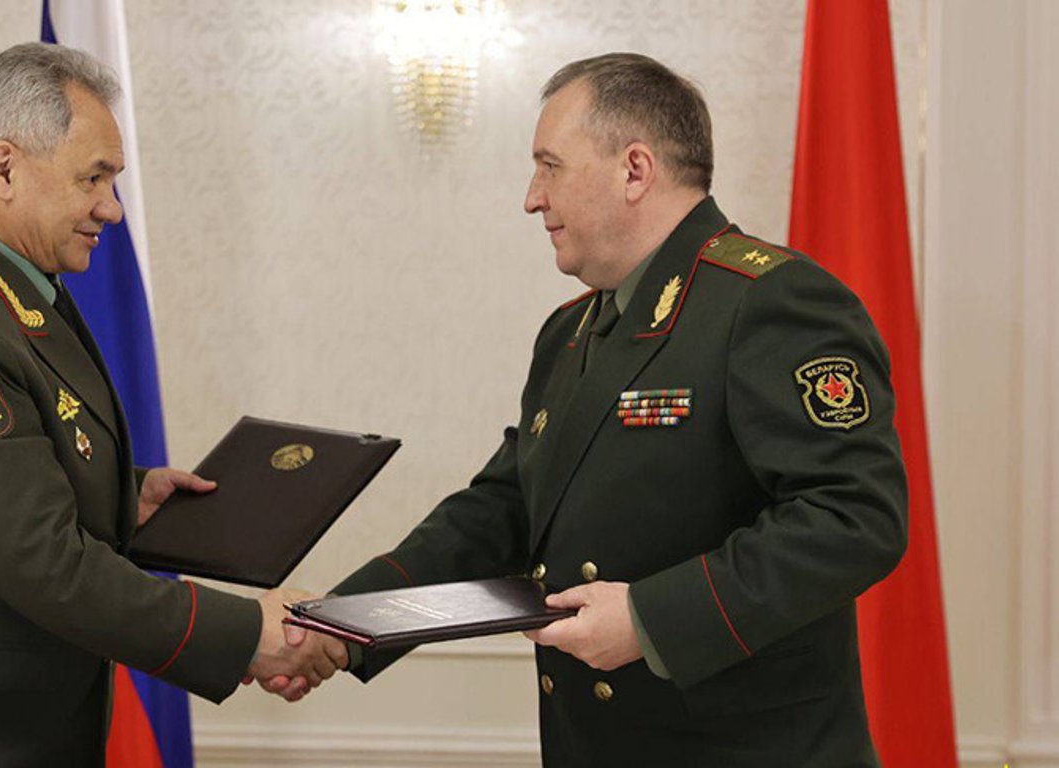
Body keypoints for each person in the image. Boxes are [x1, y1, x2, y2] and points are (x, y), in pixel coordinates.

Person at [300, 53, 908, 766]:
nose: (532, 198)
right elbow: (502, 510)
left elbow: (853, 517)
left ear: (635, 170)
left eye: (550, 167)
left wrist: (650, 619)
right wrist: (344, 623)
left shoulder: (771, 300)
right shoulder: (571, 330)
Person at [0, 42, 344, 768]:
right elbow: (44, 562)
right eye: (94, 178)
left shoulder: (12, 288)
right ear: (4, 169)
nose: (111, 209)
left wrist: (122, 493)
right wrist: (246, 634)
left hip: (1, 728)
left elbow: (11, 471)